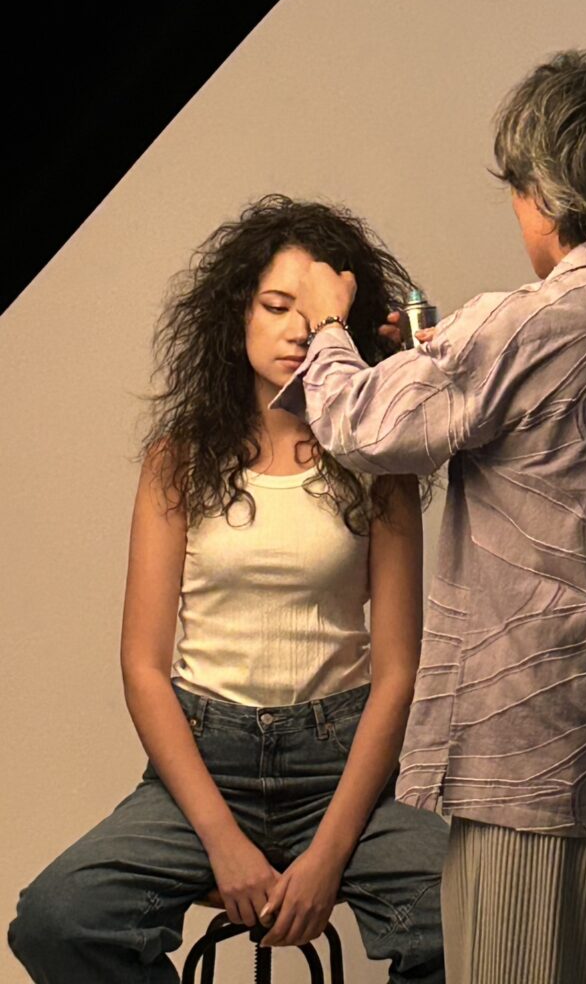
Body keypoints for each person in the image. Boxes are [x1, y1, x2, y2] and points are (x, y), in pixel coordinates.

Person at [267, 51, 586, 984]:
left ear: (548, 195)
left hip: (541, 765)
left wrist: (330, 327)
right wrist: (439, 354)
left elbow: (364, 425)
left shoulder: (525, 323)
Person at [8, 195, 448, 984]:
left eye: (316, 314)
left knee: (475, 915)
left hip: (342, 768)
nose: (296, 332)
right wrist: (222, 840)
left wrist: (328, 856)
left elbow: (397, 673)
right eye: (276, 306)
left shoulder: (379, 461)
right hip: (205, 767)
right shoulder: (177, 460)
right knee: (57, 920)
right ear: (236, 313)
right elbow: (144, 667)